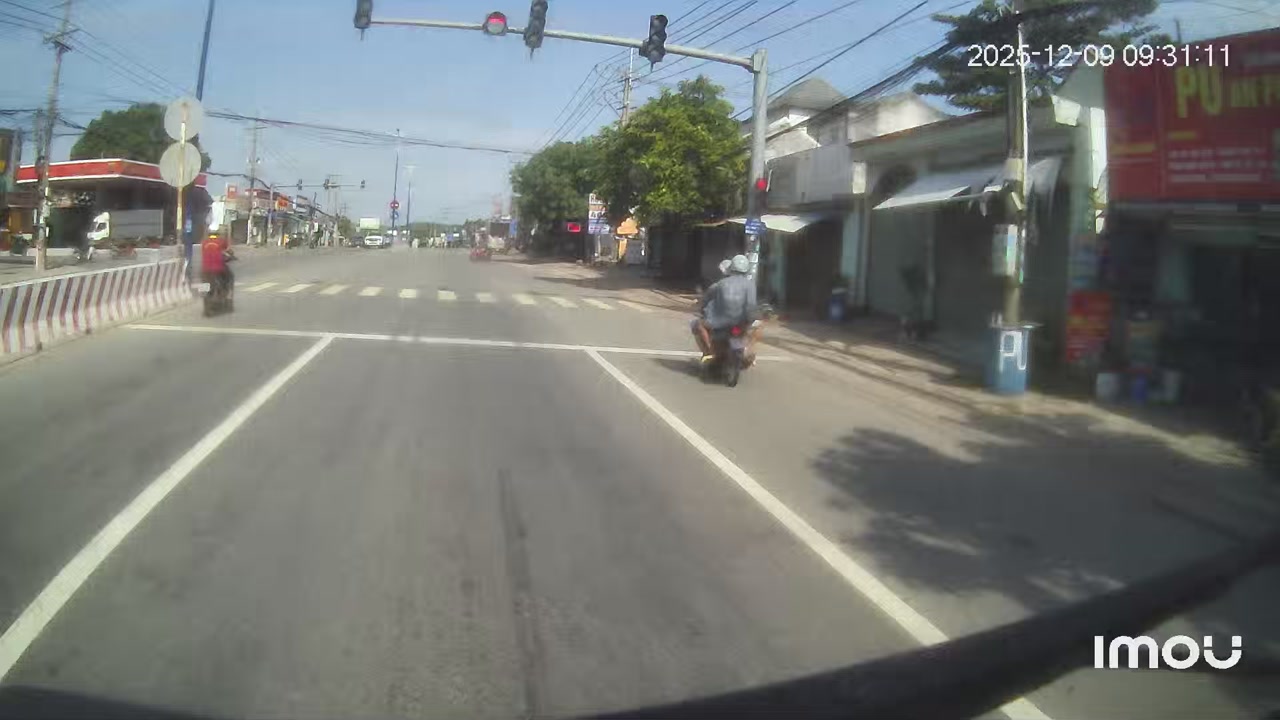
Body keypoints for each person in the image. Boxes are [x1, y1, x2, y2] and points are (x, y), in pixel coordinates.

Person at [693, 255, 759, 363]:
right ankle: (748, 351)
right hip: (740, 324)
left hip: (719, 323)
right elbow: (751, 305)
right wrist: (750, 320)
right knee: (757, 327)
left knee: (698, 324)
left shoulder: (719, 284)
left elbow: (705, 301)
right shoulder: (750, 285)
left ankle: (709, 352)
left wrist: (701, 308)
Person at [201, 232, 234, 299]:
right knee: (230, 276)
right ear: (217, 235)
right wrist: (230, 257)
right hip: (219, 267)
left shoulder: (204, 242)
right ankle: (229, 294)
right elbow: (228, 251)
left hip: (205, 268)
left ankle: (203, 293)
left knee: (203, 279)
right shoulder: (221, 241)